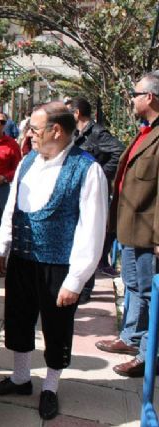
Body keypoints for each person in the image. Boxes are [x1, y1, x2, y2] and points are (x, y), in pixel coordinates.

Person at [0, 102, 108, 420]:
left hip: (58, 264)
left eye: (35, 129)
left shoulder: (86, 168)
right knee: (18, 320)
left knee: (56, 327)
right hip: (23, 258)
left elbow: (92, 227)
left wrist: (76, 279)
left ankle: (51, 387)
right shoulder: (27, 162)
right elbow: (12, 208)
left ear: (57, 130)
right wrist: (2, 247)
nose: (30, 134)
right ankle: (21, 378)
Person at [95, 71, 159, 377]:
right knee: (133, 285)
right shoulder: (146, 131)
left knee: (148, 292)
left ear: (149, 97)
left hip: (149, 232)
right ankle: (130, 337)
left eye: (135, 95)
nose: (131, 101)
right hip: (130, 227)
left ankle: (148, 354)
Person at [68, 96, 125, 303]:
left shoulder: (98, 133)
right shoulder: (76, 134)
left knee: (88, 237)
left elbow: (119, 151)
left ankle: (85, 288)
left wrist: (100, 172)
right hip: (76, 192)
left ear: (76, 113)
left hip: (91, 192)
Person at [0, 110, 22, 259]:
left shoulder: (11, 144)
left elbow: (18, 168)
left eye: (2, 122)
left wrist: (4, 177)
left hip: (1, 190)